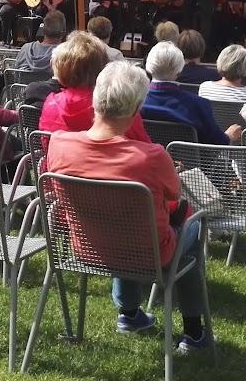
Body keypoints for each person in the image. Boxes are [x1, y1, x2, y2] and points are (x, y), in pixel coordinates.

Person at [45, 61, 212, 351]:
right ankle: (194, 332)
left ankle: (131, 313)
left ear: (96, 100)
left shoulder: (58, 144)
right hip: (149, 251)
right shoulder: (151, 156)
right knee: (194, 228)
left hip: (87, 247)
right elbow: (175, 196)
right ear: (136, 110)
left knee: (130, 225)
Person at [38, 30, 152, 141]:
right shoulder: (117, 107)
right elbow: (144, 147)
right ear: (102, 66)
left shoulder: (51, 103)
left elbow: (45, 145)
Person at [141, 41, 238, 145]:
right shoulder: (198, 105)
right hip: (187, 160)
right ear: (179, 70)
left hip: (143, 159)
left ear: (149, 68)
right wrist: (229, 136)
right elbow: (218, 143)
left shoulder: (134, 103)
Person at [14, 9, 67, 73]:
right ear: (63, 33)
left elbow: (16, 74)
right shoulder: (65, 55)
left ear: (42, 30)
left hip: (24, 83)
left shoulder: (25, 49)